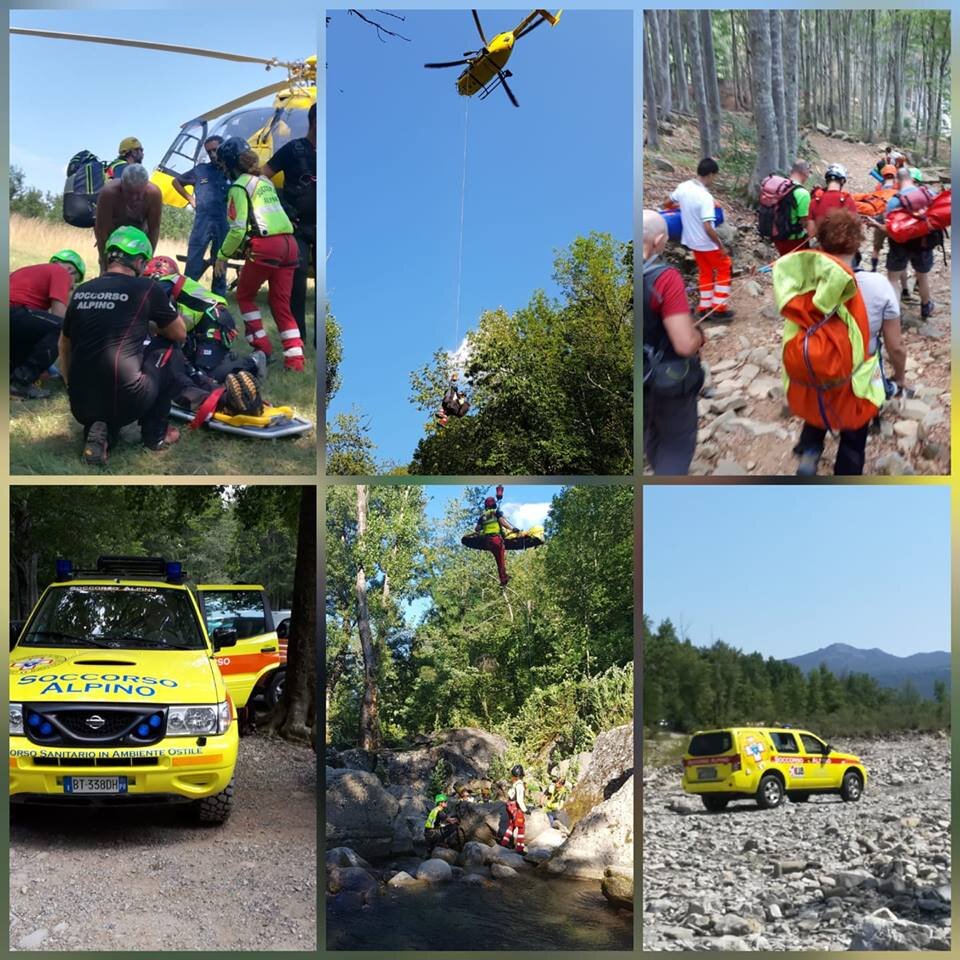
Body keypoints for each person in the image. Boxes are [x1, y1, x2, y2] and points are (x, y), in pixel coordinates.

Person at [59, 226, 187, 465]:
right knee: (168, 348)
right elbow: (179, 333)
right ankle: (155, 435)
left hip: (80, 403)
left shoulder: (82, 290)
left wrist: (69, 385)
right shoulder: (147, 288)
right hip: (127, 398)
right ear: (138, 261)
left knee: (104, 384)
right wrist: (152, 326)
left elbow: (64, 344)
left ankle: (100, 432)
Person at [789, 209, 889, 476]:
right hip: (859, 372)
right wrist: (898, 379)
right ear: (858, 244)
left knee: (820, 399)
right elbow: (896, 344)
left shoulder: (803, 282)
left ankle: (809, 451)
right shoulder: (878, 285)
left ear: (821, 244)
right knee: (854, 437)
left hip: (819, 363)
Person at [214, 137, 305, 373]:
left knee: (244, 296)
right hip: (290, 244)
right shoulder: (263, 181)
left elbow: (237, 228)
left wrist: (222, 256)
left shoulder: (239, 186)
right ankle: (295, 359)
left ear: (230, 164)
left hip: (267, 246)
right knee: (280, 303)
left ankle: (262, 348)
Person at [141, 255, 266, 397]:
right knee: (187, 366)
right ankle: (226, 358)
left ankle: (252, 363)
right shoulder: (170, 284)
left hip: (214, 321)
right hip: (204, 324)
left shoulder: (164, 283)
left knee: (207, 373)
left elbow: (146, 311)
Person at [642, 210, 705, 476]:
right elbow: (684, 344)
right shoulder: (665, 278)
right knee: (676, 444)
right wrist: (700, 336)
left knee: (650, 435)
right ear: (658, 240)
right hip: (664, 382)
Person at [261, 103, 317, 343]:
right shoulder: (293, 149)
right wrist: (279, 206)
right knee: (297, 283)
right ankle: (298, 340)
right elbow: (263, 175)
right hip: (297, 227)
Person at [9, 251, 85, 399]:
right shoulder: (60, 273)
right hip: (13, 313)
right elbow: (59, 317)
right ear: (70, 270)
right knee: (62, 327)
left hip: (13, 320)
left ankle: (13, 375)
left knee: (38, 332)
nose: (70, 288)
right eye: (73, 284)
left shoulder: (27, 271)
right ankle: (20, 383)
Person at [669, 157, 735, 319]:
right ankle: (718, 309)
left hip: (691, 241)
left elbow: (667, 203)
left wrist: (683, 207)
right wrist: (720, 246)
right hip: (706, 243)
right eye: (715, 176)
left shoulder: (683, 187)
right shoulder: (705, 197)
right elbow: (708, 227)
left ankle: (704, 306)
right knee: (724, 268)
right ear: (711, 174)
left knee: (705, 271)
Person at [874, 167, 937, 318]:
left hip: (899, 245)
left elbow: (889, 228)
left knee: (893, 279)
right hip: (923, 243)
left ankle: (894, 314)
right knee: (922, 276)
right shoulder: (928, 194)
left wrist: (876, 227)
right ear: (911, 178)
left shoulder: (894, 201)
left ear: (897, 180)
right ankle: (925, 307)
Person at [173, 136, 231, 297]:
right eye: (209, 151)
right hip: (202, 222)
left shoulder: (231, 170)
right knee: (193, 260)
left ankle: (218, 300)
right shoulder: (200, 170)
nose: (212, 154)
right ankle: (185, 296)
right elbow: (176, 182)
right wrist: (190, 199)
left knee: (220, 262)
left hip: (223, 223)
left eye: (215, 150)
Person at [94, 164, 162, 274]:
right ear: (122, 186)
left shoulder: (153, 194)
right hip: (113, 235)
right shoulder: (109, 193)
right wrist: (104, 263)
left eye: (139, 194)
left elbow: (154, 229)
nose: (134, 199)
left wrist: (148, 259)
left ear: (146, 186)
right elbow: (102, 231)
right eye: (129, 193)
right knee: (110, 271)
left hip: (139, 235)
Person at [475, 496, 519, 587]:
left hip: (488, 542)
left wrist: (483, 529)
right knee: (501, 559)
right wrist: (512, 528)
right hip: (496, 539)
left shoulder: (482, 516)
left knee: (498, 560)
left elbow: (477, 529)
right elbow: (502, 522)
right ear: (494, 505)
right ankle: (503, 579)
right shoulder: (496, 513)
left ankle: (503, 577)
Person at [773, 159, 813, 256]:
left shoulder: (781, 186)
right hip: (793, 239)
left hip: (776, 235)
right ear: (804, 172)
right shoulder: (802, 194)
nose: (809, 175)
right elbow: (805, 222)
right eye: (809, 172)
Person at [806, 163, 855, 240]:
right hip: (841, 247)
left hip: (821, 247)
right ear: (842, 180)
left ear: (827, 180)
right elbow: (854, 231)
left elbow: (811, 233)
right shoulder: (848, 201)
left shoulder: (814, 202)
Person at [500, 764, 527, 854]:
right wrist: (525, 810)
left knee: (511, 825)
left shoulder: (514, 784)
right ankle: (520, 848)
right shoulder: (519, 785)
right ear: (520, 775)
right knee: (521, 827)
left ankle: (504, 842)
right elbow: (519, 799)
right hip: (516, 807)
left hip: (510, 805)